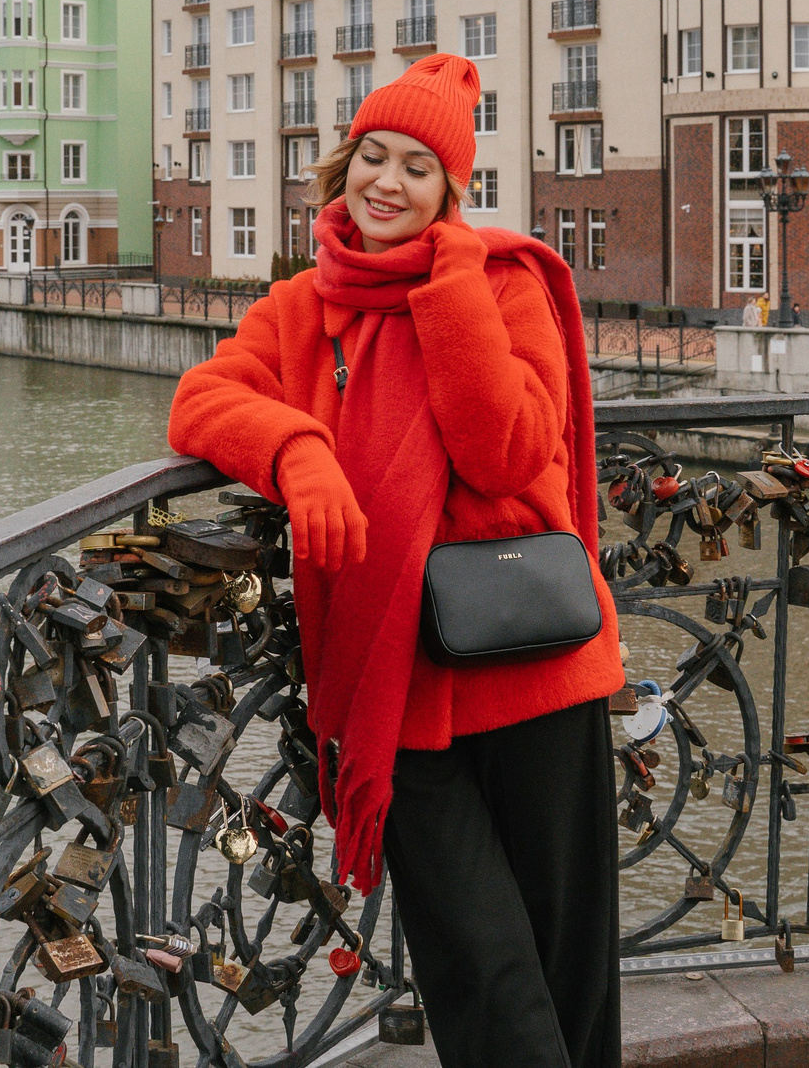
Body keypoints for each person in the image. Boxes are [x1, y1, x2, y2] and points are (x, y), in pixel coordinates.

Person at [167, 53, 622, 1068]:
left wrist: (450, 284)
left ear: (450, 192)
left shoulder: (506, 286)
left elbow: (501, 453)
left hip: (535, 665)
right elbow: (201, 400)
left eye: (417, 168)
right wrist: (298, 451)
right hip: (397, 683)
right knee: (480, 964)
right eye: (372, 155)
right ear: (341, 169)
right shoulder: (301, 310)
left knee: (564, 962)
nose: (386, 181)